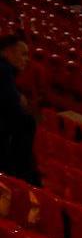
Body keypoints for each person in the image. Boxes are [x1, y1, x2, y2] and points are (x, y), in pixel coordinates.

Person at [0, 30, 37, 186]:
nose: (27, 60)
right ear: (8, 52)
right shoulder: (3, 70)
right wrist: (17, 98)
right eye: (23, 54)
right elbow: (14, 112)